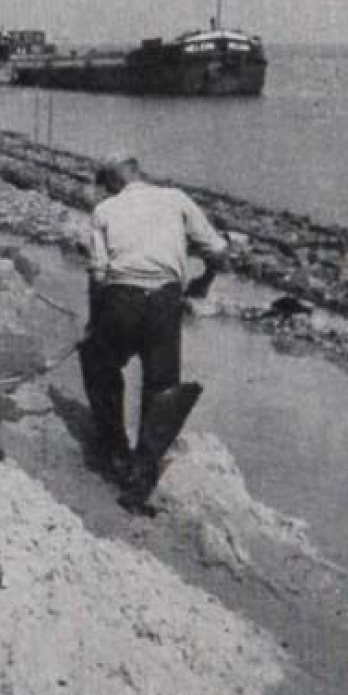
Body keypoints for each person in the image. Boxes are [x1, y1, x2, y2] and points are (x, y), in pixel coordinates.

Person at [78, 153, 228, 505]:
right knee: (161, 385)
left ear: (112, 182)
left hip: (120, 299)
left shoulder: (105, 211)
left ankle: (115, 453)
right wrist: (204, 280)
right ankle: (141, 476)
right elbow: (219, 251)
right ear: (138, 172)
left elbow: (98, 276)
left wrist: (93, 323)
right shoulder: (176, 199)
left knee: (99, 364)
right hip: (164, 301)